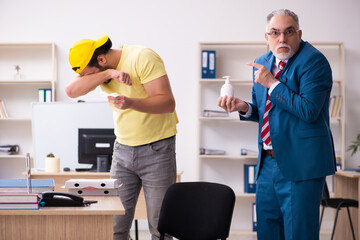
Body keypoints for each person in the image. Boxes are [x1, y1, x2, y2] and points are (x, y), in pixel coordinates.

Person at [218, 9, 336, 240]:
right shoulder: (263, 62)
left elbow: (309, 111)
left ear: (299, 34)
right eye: (275, 33)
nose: (282, 39)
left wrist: (272, 83)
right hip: (267, 165)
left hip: (301, 165)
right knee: (268, 232)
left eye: (288, 32)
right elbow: (266, 112)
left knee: (299, 234)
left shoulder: (315, 62)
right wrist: (244, 108)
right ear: (267, 37)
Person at [66, 35, 178, 240]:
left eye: (88, 74)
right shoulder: (104, 69)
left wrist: (131, 103)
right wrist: (107, 73)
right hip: (122, 151)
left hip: (158, 150)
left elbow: (167, 103)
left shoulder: (142, 57)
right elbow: (71, 90)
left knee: (159, 228)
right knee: (114, 227)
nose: (88, 79)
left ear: (100, 59)